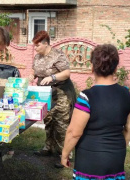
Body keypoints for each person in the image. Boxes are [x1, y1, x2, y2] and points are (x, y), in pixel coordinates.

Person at [61, 44, 130, 179]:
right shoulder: (126, 94)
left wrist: (64, 154)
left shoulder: (86, 97)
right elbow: (128, 129)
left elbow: (74, 133)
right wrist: (118, 149)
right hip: (116, 158)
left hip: (89, 161)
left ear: (92, 67)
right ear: (115, 68)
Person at [29, 31, 76, 168]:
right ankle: (48, 148)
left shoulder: (57, 55)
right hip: (45, 94)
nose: (35, 48)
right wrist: (31, 76)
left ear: (45, 44)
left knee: (61, 125)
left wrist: (53, 77)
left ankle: (65, 155)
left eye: (37, 45)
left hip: (61, 93)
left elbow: (67, 73)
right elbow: (34, 70)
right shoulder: (38, 57)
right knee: (48, 121)